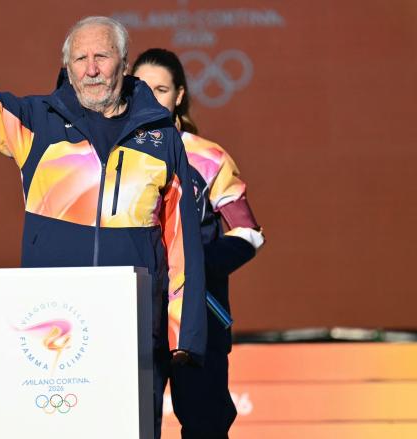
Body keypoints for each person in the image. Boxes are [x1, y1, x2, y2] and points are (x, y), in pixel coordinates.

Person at [0, 10, 207, 438]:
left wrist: (183, 335)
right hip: (56, 338)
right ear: (66, 67)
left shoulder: (161, 137)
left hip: (133, 333)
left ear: (124, 64)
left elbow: (181, 244)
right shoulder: (37, 123)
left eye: (102, 57)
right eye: (80, 59)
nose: (91, 69)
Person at [132, 48, 264, 439]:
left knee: (205, 425)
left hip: (199, 317)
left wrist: (193, 266)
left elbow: (248, 232)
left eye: (161, 89)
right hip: (136, 316)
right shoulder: (113, 156)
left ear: (180, 95)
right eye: (142, 88)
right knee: (129, 423)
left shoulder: (207, 157)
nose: (152, 97)